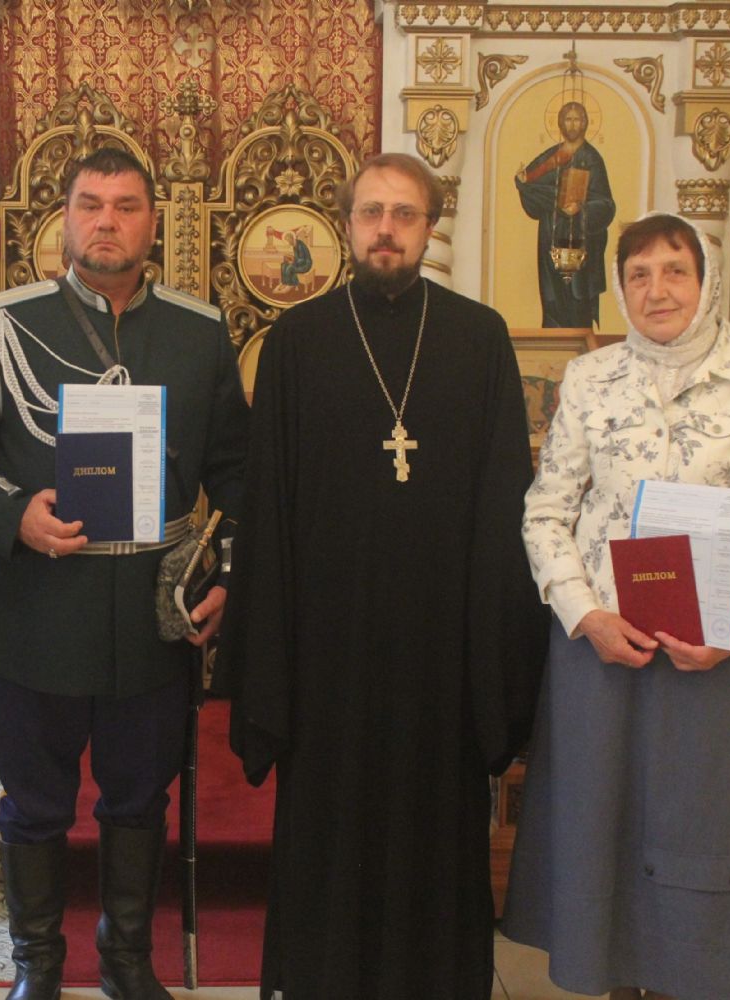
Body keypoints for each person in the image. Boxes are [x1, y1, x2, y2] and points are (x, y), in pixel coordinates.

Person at [217, 151, 548, 1000]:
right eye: (370, 213)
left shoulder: (477, 338)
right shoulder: (297, 342)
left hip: (441, 646)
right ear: (346, 226)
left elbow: (504, 502)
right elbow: (269, 508)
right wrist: (272, 659)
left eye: (404, 214)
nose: (386, 230)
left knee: (435, 822)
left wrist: (494, 656)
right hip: (327, 649)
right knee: (329, 824)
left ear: (429, 227)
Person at [0, 147, 247, 1000]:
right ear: (64, 218)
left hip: (151, 614)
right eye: (91, 204)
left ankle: (126, 961)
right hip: (35, 610)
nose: (107, 220)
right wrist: (12, 513)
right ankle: (36, 963)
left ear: (152, 223)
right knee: (33, 804)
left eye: (126, 206)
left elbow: (239, 469)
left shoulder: (199, 331)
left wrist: (229, 572)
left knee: (138, 801)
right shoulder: (3, 322)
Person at [504, 213, 730, 1000]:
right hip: (599, 651)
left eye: (674, 270)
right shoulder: (590, 378)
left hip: (707, 655)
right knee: (599, 826)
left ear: (705, 280)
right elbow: (546, 512)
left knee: (694, 829)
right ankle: (610, 981)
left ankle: (690, 978)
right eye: (637, 274)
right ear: (618, 288)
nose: (656, 290)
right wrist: (584, 615)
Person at [516, 100, 617, 328]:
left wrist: (581, 209)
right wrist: (523, 181)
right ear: (561, 123)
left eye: (577, 119)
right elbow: (530, 183)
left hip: (580, 239)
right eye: (568, 119)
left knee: (575, 300)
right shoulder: (551, 156)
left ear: (585, 123)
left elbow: (605, 203)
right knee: (552, 297)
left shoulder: (592, 158)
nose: (572, 124)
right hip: (550, 236)